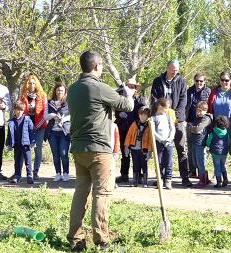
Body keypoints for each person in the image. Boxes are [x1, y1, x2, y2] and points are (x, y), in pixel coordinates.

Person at [66, 50, 135, 252]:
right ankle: (102, 240)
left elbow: (93, 103)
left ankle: (76, 238)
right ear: (96, 66)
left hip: (79, 148)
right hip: (99, 149)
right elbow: (128, 106)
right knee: (102, 193)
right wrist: (127, 93)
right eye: (102, 65)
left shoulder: (73, 88)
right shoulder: (98, 87)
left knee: (81, 192)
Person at [151, 60, 191, 187]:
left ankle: (185, 177)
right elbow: (154, 98)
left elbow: (183, 99)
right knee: (161, 149)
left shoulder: (181, 81)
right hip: (161, 117)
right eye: (173, 69)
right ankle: (161, 178)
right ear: (167, 68)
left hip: (176, 119)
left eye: (177, 70)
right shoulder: (158, 81)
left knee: (181, 147)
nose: (175, 72)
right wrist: (161, 111)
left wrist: (176, 115)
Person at [115, 79, 147, 183]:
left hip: (137, 129)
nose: (130, 88)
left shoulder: (140, 99)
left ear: (135, 88)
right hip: (123, 128)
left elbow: (144, 112)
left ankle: (140, 175)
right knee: (125, 152)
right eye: (128, 86)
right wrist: (119, 114)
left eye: (132, 87)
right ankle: (124, 174)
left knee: (139, 152)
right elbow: (116, 111)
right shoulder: (120, 98)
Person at [19, 74, 47, 180]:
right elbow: (19, 111)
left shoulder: (42, 95)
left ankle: (35, 170)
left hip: (39, 125)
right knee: (25, 148)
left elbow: (45, 113)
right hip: (26, 125)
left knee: (37, 148)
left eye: (34, 83)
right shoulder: (23, 95)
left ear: (37, 84)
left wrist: (36, 126)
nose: (31, 85)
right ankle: (22, 170)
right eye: (30, 83)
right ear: (27, 84)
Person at [44, 81, 70, 182]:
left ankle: (66, 173)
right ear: (55, 91)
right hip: (52, 132)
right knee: (55, 155)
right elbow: (45, 116)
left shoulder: (68, 103)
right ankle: (58, 173)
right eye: (58, 90)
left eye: (62, 90)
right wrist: (53, 115)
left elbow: (72, 115)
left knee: (64, 153)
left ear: (65, 92)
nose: (60, 92)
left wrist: (63, 119)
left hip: (64, 132)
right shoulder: (49, 102)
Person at [186, 73, 211, 178]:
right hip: (190, 120)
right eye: (197, 80)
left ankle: (202, 173)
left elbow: (210, 107)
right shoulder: (189, 91)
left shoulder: (209, 92)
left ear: (204, 81)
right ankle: (192, 171)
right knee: (191, 149)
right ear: (194, 80)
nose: (199, 83)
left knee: (200, 149)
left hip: (202, 123)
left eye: (201, 81)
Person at [6, 101, 35, 184]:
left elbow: (31, 131)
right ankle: (17, 176)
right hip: (16, 144)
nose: (19, 112)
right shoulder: (11, 121)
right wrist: (8, 144)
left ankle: (30, 176)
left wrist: (33, 141)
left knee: (28, 160)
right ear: (14, 110)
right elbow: (9, 134)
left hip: (26, 144)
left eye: (21, 110)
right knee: (17, 161)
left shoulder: (27, 120)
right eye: (17, 110)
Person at [124, 107, 152, 187]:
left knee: (144, 165)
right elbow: (129, 135)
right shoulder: (134, 123)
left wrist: (149, 151)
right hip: (134, 149)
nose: (142, 116)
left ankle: (145, 182)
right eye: (141, 114)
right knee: (135, 165)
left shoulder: (149, 125)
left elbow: (151, 139)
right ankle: (134, 182)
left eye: (145, 115)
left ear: (148, 116)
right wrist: (126, 146)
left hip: (144, 149)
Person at [187, 101, 213, 188]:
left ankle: (202, 181)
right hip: (194, 141)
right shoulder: (197, 118)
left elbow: (198, 128)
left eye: (200, 111)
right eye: (197, 111)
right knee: (195, 162)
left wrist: (190, 128)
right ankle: (206, 178)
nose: (198, 113)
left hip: (200, 143)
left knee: (200, 161)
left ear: (205, 110)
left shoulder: (206, 119)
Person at [152, 98, 176, 190]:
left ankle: (168, 180)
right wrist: (161, 140)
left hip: (169, 143)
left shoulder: (168, 117)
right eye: (166, 108)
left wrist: (170, 139)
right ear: (159, 106)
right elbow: (153, 131)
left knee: (169, 161)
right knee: (159, 162)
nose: (167, 110)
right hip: (159, 143)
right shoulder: (153, 118)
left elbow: (172, 129)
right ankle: (159, 180)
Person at [206, 115, 230, 188]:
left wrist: (208, 145)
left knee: (217, 167)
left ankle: (219, 182)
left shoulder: (213, 132)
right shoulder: (226, 133)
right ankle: (225, 179)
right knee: (222, 165)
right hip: (224, 152)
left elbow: (208, 141)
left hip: (215, 152)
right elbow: (228, 142)